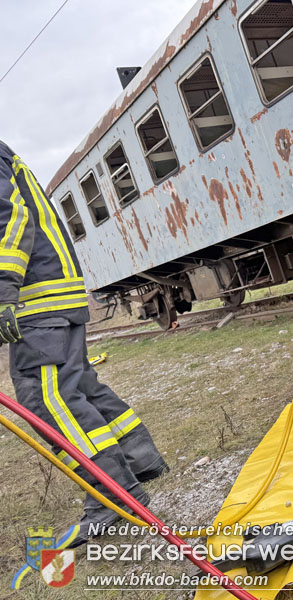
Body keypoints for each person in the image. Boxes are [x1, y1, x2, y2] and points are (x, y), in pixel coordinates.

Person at [0, 140, 168, 545]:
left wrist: (3, 288)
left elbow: (11, 218)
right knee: (78, 386)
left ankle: (112, 495)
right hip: (56, 289)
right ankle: (139, 459)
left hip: (36, 296)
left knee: (47, 397)